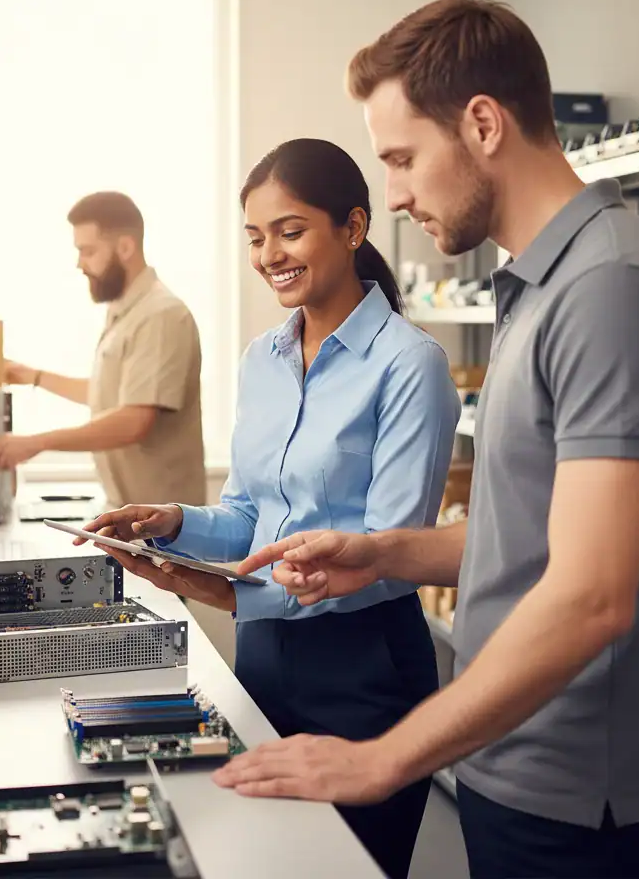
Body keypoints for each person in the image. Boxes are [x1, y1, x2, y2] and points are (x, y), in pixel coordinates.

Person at [217, 0, 639, 879]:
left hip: (582, 792)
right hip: (517, 760)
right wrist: (382, 553)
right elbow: (530, 540)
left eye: (404, 159)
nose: (399, 195)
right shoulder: (539, 288)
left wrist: (384, 756)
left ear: (483, 123)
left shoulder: (612, 289)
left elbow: (590, 595)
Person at [79, 138, 459, 879]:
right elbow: (251, 515)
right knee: (259, 863)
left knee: (348, 867)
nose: (269, 254)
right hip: (263, 656)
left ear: (353, 228)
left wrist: (227, 590)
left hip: (365, 668)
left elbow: (391, 554)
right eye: (255, 237)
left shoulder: (409, 365)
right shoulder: (263, 359)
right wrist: (174, 524)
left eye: (290, 231)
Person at [0, 191, 206, 509]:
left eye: (87, 251)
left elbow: (133, 420)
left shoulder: (161, 315)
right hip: (129, 513)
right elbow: (109, 395)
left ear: (125, 247)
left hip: (163, 526)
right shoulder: (127, 312)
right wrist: (33, 376)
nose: (79, 264)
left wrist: (38, 442)